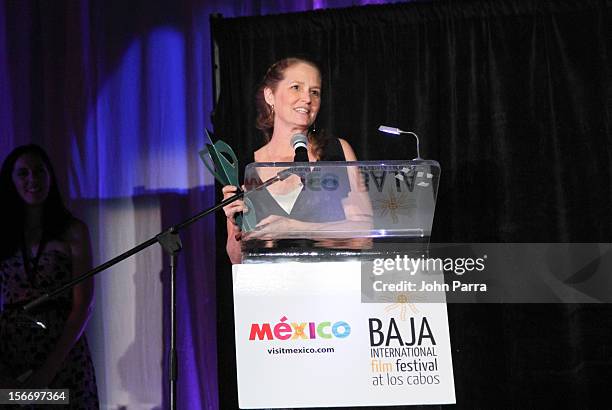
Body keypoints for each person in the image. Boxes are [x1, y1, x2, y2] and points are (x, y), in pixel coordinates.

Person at [222, 57, 372, 264]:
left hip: (329, 287)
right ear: (270, 95)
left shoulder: (336, 153)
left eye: (315, 91)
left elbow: (364, 236)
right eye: (296, 87)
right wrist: (236, 226)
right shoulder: (246, 168)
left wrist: (295, 228)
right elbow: (237, 259)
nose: (307, 98)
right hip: (270, 291)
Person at [0, 144, 99, 407]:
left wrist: (46, 373)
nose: (32, 180)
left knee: (63, 402)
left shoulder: (73, 231)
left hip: (61, 352)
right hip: (12, 355)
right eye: (23, 173)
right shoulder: (4, 235)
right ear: (10, 180)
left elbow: (83, 306)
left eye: (39, 172)